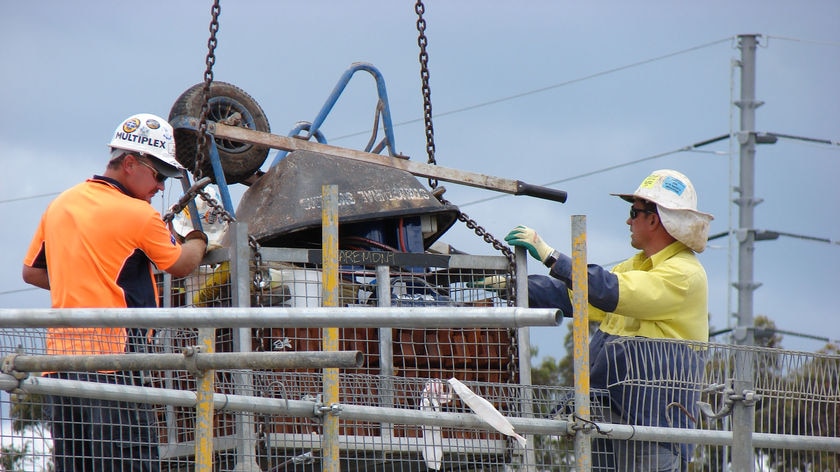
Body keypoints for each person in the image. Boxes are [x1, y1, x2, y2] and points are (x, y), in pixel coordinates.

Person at [22, 113, 209, 471]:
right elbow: (181, 264)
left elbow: (32, 272)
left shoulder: (61, 204)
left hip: (58, 368)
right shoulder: (138, 214)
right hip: (115, 364)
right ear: (129, 164)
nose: (159, 187)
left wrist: (82, 277)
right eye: (158, 176)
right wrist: (199, 240)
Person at [505, 169, 713, 472]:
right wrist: (513, 285)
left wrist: (552, 257)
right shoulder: (638, 266)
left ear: (655, 219)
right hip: (611, 416)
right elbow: (578, 294)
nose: (629, 221)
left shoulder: (684, 274)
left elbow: (611, 290)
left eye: (634, 212)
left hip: (653, 428)